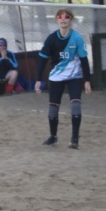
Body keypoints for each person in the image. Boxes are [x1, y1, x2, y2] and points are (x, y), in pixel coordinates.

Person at [35, 8, 92, 149]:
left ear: (71, 20)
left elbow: (84, 60)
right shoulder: (51, 38)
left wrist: (87, 80)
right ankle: (53, 136)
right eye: (60, 16)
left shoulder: (77, 38)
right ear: (56, 20)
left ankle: (74, 139)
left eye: (67, 17)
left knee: (75, 105)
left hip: (75, 76)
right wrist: (38, 79)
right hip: (56, 76)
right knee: (53, 108)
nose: (63, 19)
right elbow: (42, 59)